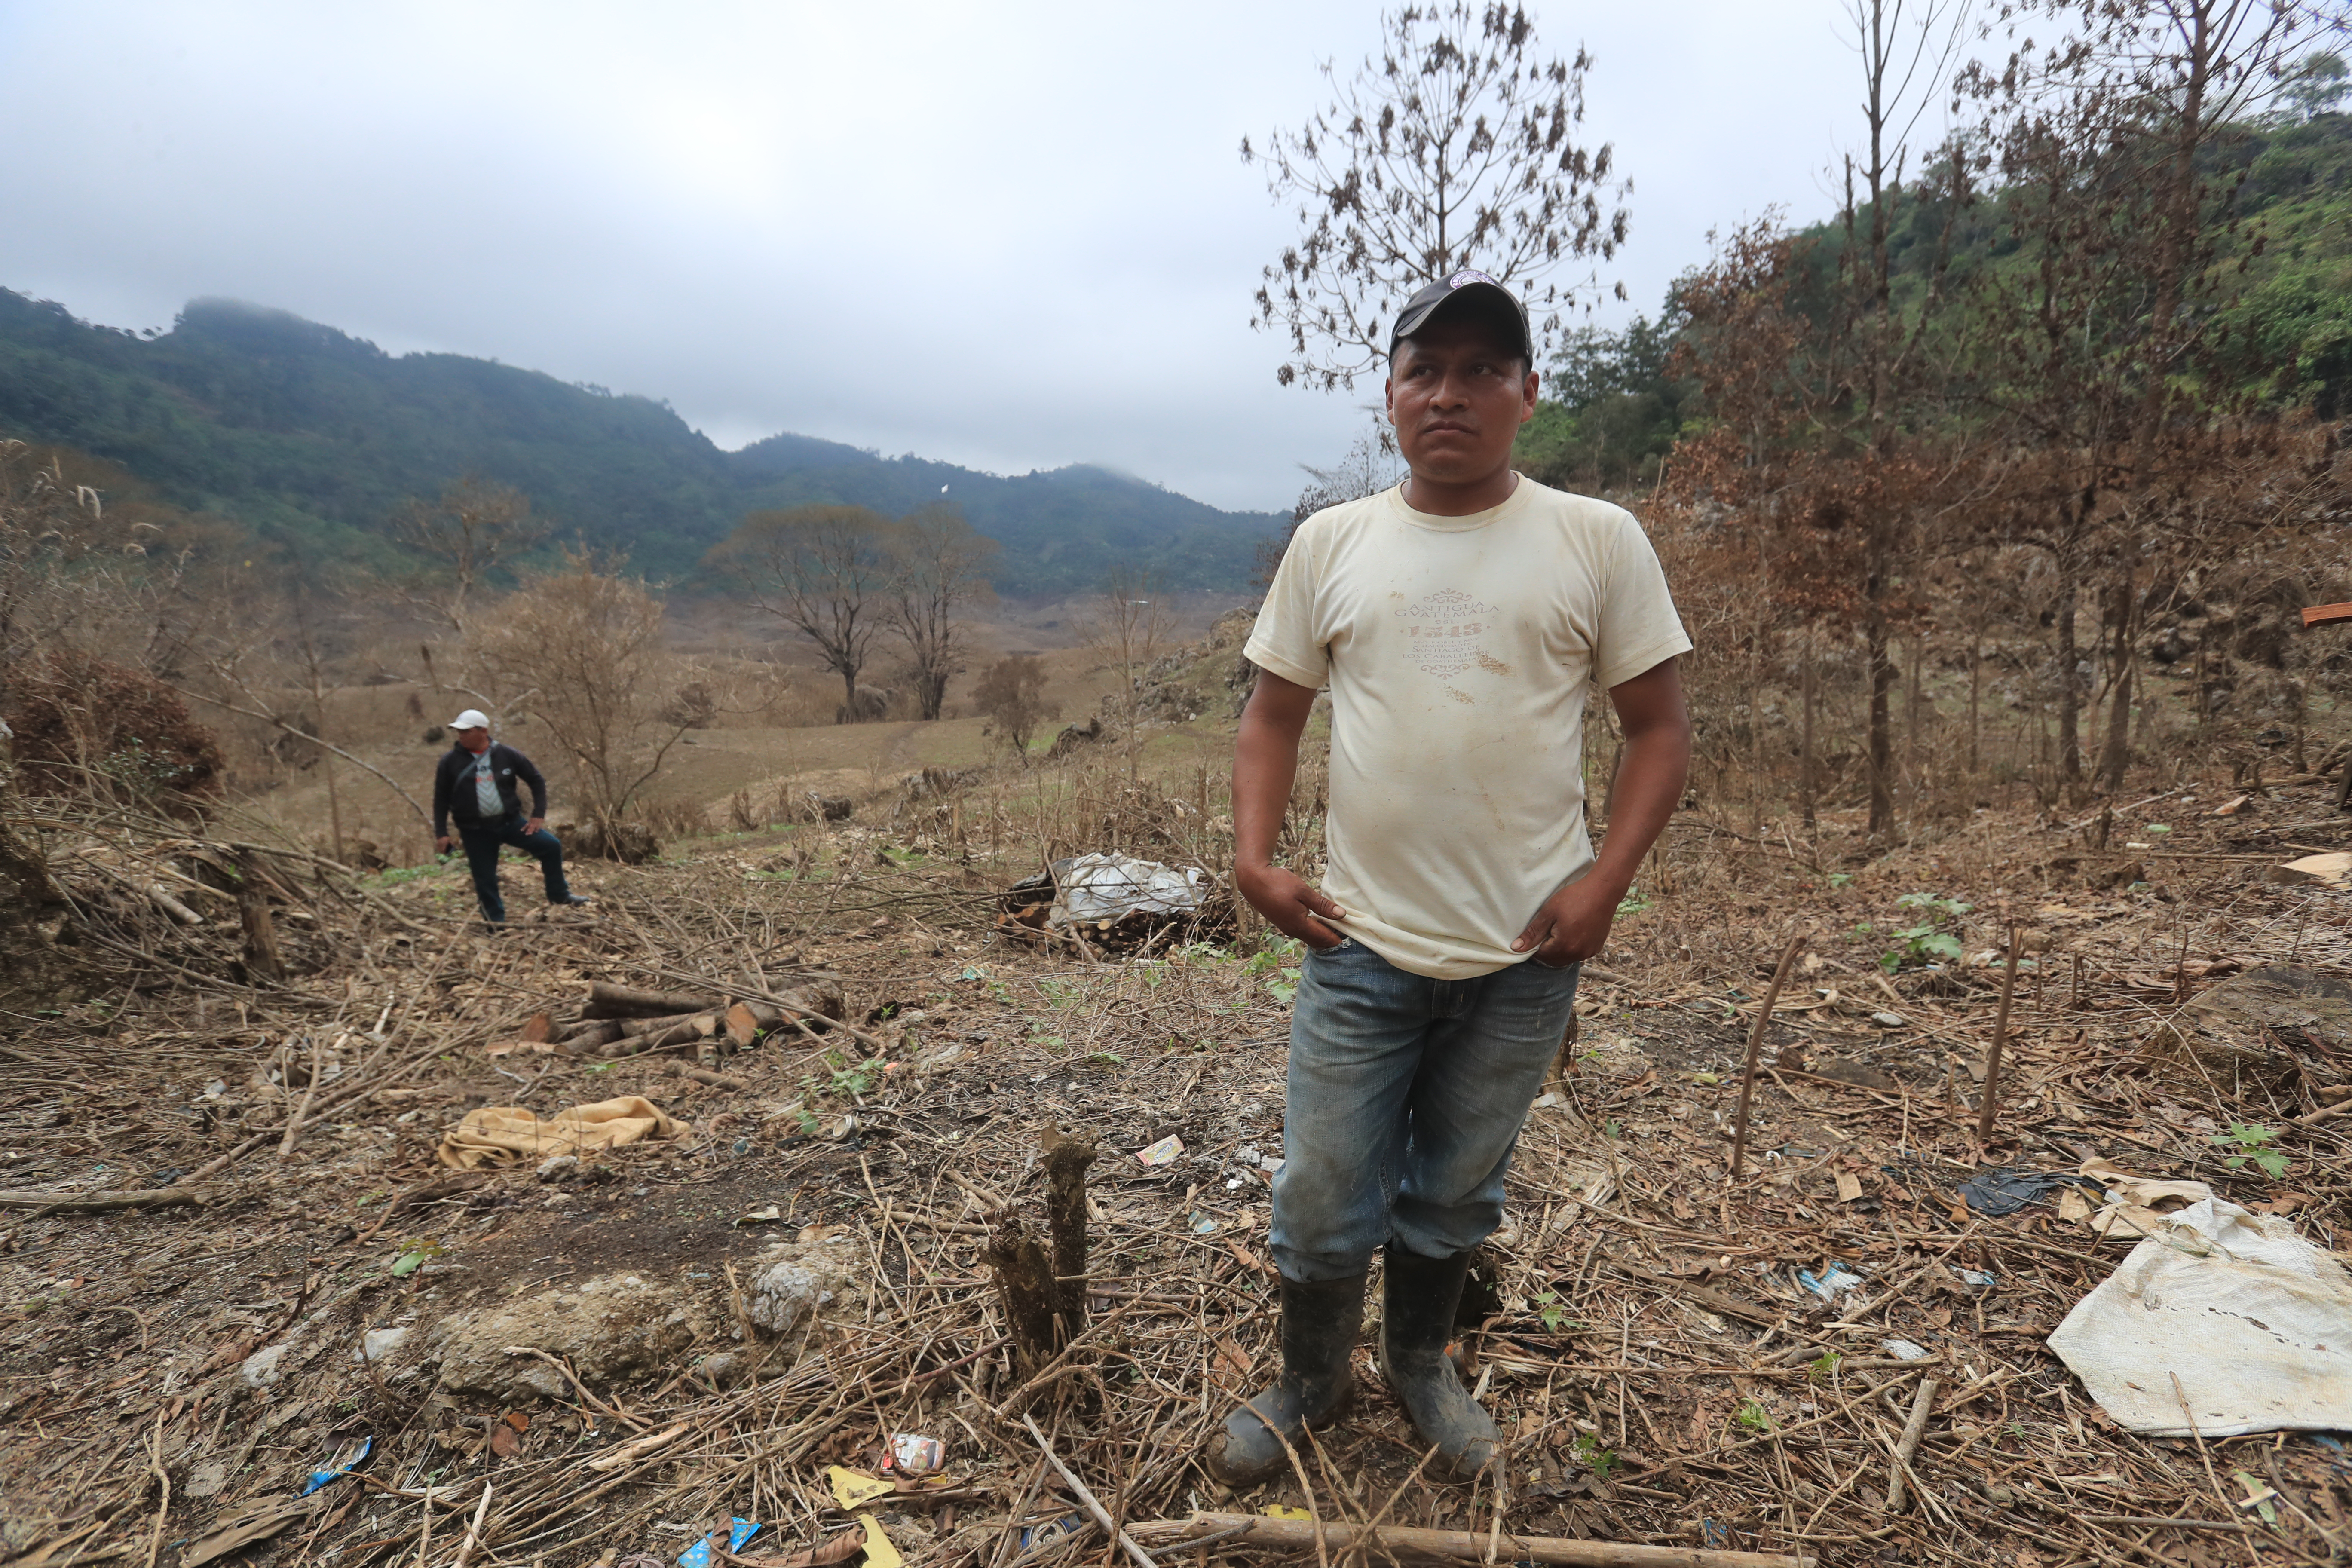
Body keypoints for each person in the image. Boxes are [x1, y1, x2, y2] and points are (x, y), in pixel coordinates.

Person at [1210, 271, 1694, 1485]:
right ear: (1389, 393)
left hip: (1526, 954)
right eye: (1425, 369)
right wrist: (1254, 860)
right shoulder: (1335, 544)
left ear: (1529, 392)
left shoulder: (1596, 540)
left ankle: (1422, 1365)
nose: (1450, 394)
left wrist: (1605, 887)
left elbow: (1659, 729)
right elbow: (1272, 716)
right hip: (1358, 945)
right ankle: (1313, 1378)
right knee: (1323, 1193)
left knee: (1455, 1192)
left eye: (1484, 369)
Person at [430, 710, 591, 926]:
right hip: (474, 830)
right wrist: (442, 833)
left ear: (483, 732)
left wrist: (538, 815)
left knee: (551, 846)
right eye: (458, 732)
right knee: (485, 878)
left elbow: (536, 780)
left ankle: (559, 895)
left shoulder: (506, 754)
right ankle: (495, 924)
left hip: (510, 822)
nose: (460, 736)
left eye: (466, 732)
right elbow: (441, 798)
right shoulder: (449, 762)